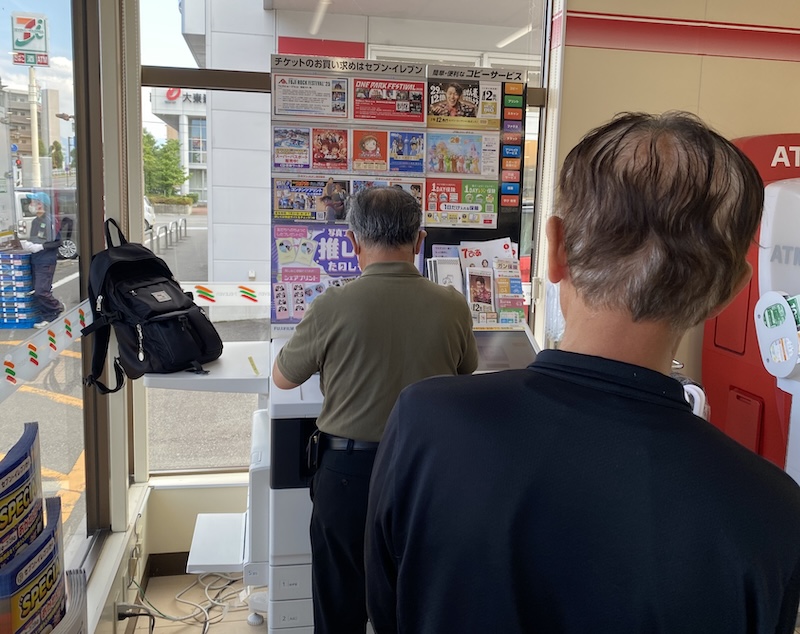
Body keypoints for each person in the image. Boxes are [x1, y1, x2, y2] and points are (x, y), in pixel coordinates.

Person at [365, 111, 800, 633]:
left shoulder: (428, 424)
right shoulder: (770, 512)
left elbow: (387, 611)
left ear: (555, 250)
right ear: (729, 291)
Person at [272, 186, 478, 634]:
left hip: (348, 475)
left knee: (339, 602)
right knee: (414, 598)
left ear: (353, 242)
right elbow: (465, 373)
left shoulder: (332, 305)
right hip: (425, 476)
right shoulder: (451, 306)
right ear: (419, 241)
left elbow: (284, 377)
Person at [19, 192, 63, 329]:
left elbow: (58, 242)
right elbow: (35, 239)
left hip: (46, 260)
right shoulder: (35, 221)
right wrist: (29, 245)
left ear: (42, 205)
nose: (31, 205)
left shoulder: (50, 221)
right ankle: (47, 315)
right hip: (36, 259)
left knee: (41, 290)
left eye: (34, 202)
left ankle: (56, 309)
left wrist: (41, 246)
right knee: (38, 290)